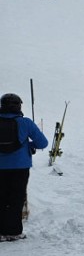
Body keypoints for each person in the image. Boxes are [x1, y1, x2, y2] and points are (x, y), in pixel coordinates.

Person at [0, 93, 48, 242]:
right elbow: (43, 143)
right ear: (18, 106)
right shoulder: (26, 123)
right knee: (16, 198)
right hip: (20, 167)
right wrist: (29, 145)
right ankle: (13, 231)